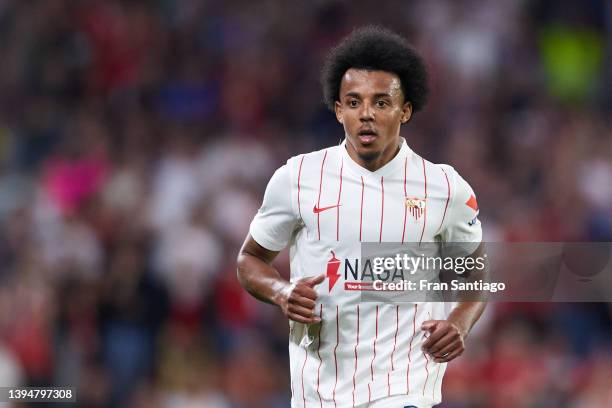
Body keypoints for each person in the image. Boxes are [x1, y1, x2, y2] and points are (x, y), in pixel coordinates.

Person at [237, 25, 486, 408]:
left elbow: (477, 271)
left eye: (381, 103)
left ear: (405, 110)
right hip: (318, 391)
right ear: (338, 110)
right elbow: (250, 259)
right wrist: (281, 291)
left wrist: (459, 323)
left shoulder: (443, 187)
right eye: (353, 102)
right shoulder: (298, 178)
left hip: (405, 387)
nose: (366, 114)